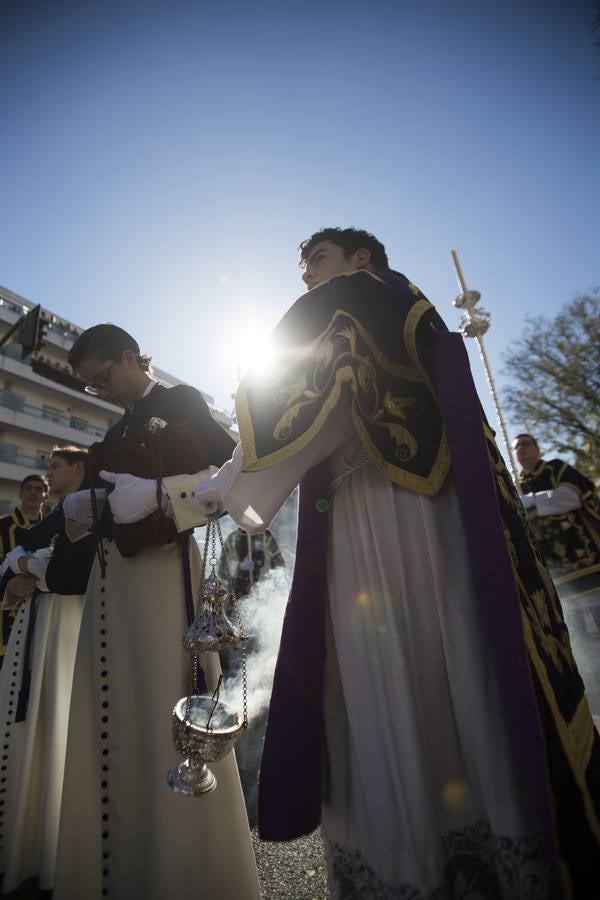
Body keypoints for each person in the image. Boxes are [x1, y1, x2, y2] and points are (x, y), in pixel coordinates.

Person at [145, 226, 599, 897]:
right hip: (378, 512)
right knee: (413, 673)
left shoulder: (371, 294)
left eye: (317, 260)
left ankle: (430, 858)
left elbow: (318, 393)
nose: (306, 276)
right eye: (301, 267)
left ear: (360, 259)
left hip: (404, 514)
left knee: (416, 670)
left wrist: (234, 475)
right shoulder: (381, 305)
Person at [52, 325, 259, 900]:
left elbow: (231, 470)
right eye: (90, 385)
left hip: (164, 572)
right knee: (110, 707)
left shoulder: (181, 399)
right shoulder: (118, 425)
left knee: (162, 701)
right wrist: (85, 506)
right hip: (109, 579)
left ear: (129, 356)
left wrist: (162, 495)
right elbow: (110, 499)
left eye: (103, 377)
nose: (101, 390)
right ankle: (125, 865)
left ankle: (182, 867)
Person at [0, 446, 95, 896]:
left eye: (55, 467)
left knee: (60, 728)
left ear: (78, 469)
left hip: (68, 632)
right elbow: (15, 555)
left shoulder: (94, 512)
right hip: (33, 633)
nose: (49, 474)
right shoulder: (53, 516)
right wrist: (20, 569)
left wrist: (29, 568)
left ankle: (53, 851)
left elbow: (69, 573)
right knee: (28, 736)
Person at [514, 433, 600, 599]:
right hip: (555, 571)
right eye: (516, 447)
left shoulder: (555, 468)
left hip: (586, 557)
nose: (520, 449)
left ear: (537, 449)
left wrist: (530, 501)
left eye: (525, 444)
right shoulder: (516, 486)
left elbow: (571, 497)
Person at [0, 474, 49, 669]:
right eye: (28, 488)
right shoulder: (2, 525)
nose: (33, 492)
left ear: (46, 496)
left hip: (40, 616)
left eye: (39, 489)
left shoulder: (53, 529)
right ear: (20, 493)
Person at [218, 526, 285, 597]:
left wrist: (270, 579)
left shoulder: (265, 537)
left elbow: (279, 562)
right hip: (237, 587)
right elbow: (222, 565)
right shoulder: (233, 538)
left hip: (260, 588)